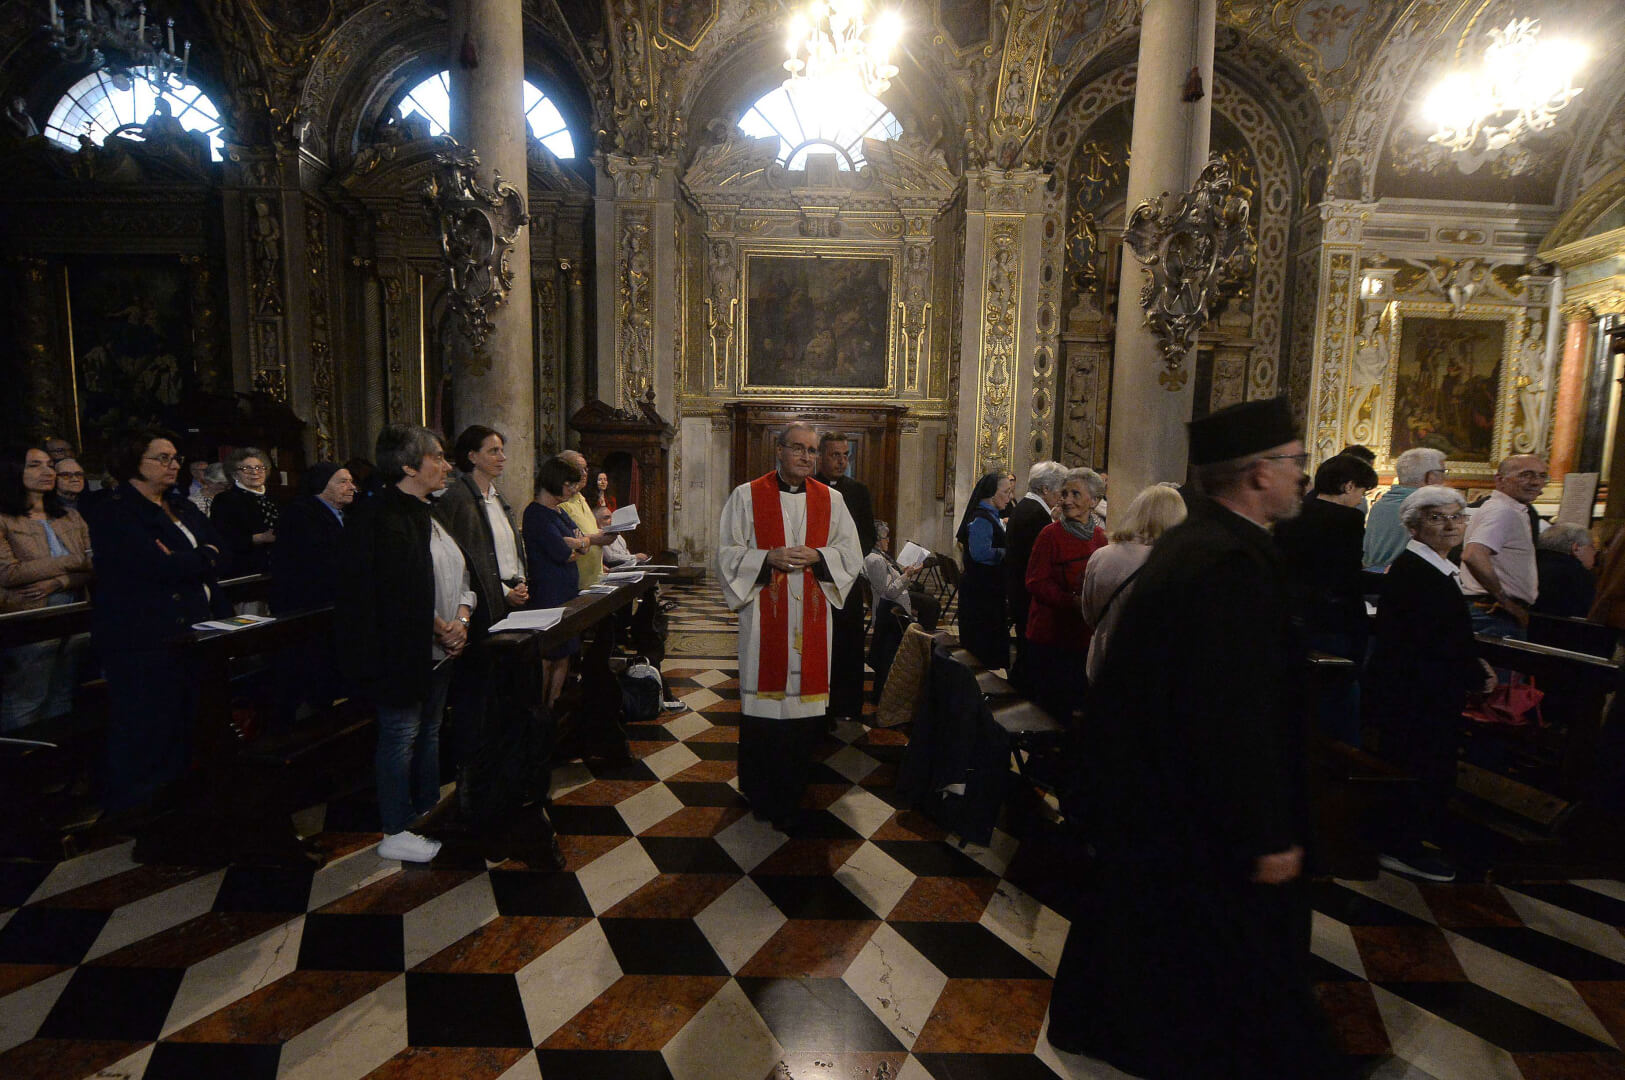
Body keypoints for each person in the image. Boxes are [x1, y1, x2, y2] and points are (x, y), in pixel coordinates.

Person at [1048, 397, 1336, 1078]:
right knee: (1233, 977)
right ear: (1259, 472)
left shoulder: (1198, 544)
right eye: (1295, 462)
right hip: (1206, 816)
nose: (1303, 475)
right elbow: (1232, 714)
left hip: (1164, 802)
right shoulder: (1227, 565)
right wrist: (1267, 831)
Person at [716, 421, 862, 832]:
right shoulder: (746, 496)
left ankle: (793, 791)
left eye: (812, 450)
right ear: (778, 450)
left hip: (811, 619)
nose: (806, 456)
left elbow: (850, 553)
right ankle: (759, 791)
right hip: (765, 620)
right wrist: (767, 558)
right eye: (798, 448)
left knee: (801, 717)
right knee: (764, 711)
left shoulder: (832, 500)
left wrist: (819, 555)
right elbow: (727, 553)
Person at [338, 425, 473, 863]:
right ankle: (395, 827)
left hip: (437, 645)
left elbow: (457, 570)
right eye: (437, 457)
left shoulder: (426, 510)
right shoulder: (379, 515)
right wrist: (441, 628)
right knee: (400, 735)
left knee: (429, 732)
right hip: (397, 649)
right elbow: (396, 590)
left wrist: (459, 622)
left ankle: (427, 811)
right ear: (409, 466)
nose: (446, 465)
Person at [88, 428, 232, 812]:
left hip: (198, 628)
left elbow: (222, 549)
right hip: (146, 636)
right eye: (162, 458)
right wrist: (202, 557)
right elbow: (152, 566)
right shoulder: (116, 510)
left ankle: (186, 805)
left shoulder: (180, 505)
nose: (173, 465)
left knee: (189, 723)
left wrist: (194, 558)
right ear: (133, 462)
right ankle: (142, 811)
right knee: (149, 727)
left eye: (175, 458)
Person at [1367, 486, 1497, 883]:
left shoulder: (1432, 567)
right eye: (1436, 518)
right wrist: (1475, 671)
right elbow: (1435, 638)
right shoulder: (1418, 572)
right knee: (1417, 767)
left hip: (1425, 690)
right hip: (1417, 694)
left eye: (1456, 516)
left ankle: (1410, 839)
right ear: (1413, 526)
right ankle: (1402, 846)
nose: (1450, 525)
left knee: (1425, 767)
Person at [1274, 453, 1379, 745]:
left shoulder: (1293, 512)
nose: (1360, 500)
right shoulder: (1347, 519)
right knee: (1339, 696)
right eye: (1361, 492)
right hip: (1332, 620)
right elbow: (1346, 576)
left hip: (1295, 615)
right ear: (1348, 486)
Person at [0, 446, 93, 730]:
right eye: (35, 465)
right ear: (14, 471)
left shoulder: (70, 516)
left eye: (50, 465)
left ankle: (58, 754)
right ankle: (22, 756)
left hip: (77, 609)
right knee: (29, 696)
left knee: (64, 692)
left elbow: (94, 565)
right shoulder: (5, 518)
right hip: (30, 615)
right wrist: (74, 561)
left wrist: (60, 581)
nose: (47, 471)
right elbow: (9, 573)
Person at [1023, 467, 1107, 725]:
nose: (1067, 500)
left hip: (1082, 636)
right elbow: (1035, 582)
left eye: (1075, 494)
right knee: (1051, 709)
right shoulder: (1050, 535)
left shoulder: (1100, 537)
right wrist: (1070, 600)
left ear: (1094, 501)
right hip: (1051, 635)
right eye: (1065, 493)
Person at [1080, 483, 1187, 685]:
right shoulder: (1175, 564)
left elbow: (1089, 612)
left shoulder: (1102, 556)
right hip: (1150, 668)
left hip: (1103, 660)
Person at [815, 431, 876, 722]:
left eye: (845, 455)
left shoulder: (858, 491)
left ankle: (847, 704)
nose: (841, 461)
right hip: (816, 580)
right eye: (834, 455)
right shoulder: (808, 488)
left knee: (848, 643)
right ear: (821, 457)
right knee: (819, 644)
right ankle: (818, 704)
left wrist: (843, 563)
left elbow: (867, 535)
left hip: (847, 581)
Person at [524, 456, 592, 706]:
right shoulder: (536, 514)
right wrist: (574, 545)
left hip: (567, 590)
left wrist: (576, 543)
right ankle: (541, 709)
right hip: (548, 592)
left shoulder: (560, 511)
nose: (573, 489)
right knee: (548, 653)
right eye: (569, 484)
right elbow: (561, 552)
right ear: (555, 481)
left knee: (565, 652)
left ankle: (554, 706)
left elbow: (583, 543)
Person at [1460, 454, 1547, 639]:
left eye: (1542, 476)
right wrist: (1505, 601)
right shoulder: (1502, 511)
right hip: (1493, 614)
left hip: (1492, 612)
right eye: (1526, 475)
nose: (1536, 482)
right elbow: (1473, 555)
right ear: (1500, 480)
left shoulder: (1509, 509)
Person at [1004, 460, 1066, 692]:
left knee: (1025, 652)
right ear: (1046, 489)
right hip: (1027, 595)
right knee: (1030, 655)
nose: (1061, 497)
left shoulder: (1026, 507)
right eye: (1060, 491)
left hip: (1018, 590)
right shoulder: (1035, 515)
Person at [270, 462, 353, 614]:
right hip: (307, 603)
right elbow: (316, 560)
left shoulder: (345, 515)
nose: (352, 487)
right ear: (321, 484)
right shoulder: (300, 514)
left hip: (336, 599)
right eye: (343, 482)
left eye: (351, 481)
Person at [955, 470, 1016, 671]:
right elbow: (980, 553)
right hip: (981, 595)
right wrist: (1007, 552)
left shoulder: (990, 515)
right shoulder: (981, 519)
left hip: (986, 592)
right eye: (1005, 492)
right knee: (982, 650)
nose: (1009, 497)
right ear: (991, 494)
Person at [1364, 447, 1447, 570]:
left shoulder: (1380, 504)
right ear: (1429, 477)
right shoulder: (1427, 510)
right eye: (1443, 472)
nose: (1445, 478)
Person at [210, 446, 280, 576]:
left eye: (259, 467)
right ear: (234, 474)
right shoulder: (225, 500)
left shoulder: (276, 496)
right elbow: (223, 539)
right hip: (246, 569)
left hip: (279, 566)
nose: (255, 472)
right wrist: (260, 538)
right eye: (246, 468)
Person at [557, 450, 615, 589]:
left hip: (594, 576)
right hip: (577, 580)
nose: (584, 474)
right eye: (579, 469)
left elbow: (587, 530)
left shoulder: (581, 498)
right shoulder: (561, 502)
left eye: (585, 469)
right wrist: (596, 539)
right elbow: (565, 540)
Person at [1532, 522, 1597, 619]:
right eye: (1592, 546)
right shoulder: (1579, 575)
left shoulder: (1530, 565)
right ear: (1576, 548)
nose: (1595, 552)